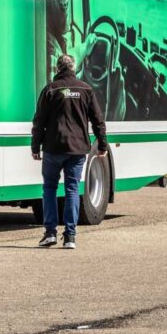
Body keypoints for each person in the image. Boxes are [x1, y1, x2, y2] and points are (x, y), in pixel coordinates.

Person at [31, 53, 108, 249]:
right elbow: (98, 120)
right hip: (77, 149)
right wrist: (102, 145)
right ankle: (70, 237)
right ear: (74, 68)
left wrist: (35, 146)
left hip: (53, 147)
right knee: (72, 189)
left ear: (58, 68)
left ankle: (50, 233)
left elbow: (39, 121)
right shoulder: (86, 89)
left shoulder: (50, 89)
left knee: (49, 188)